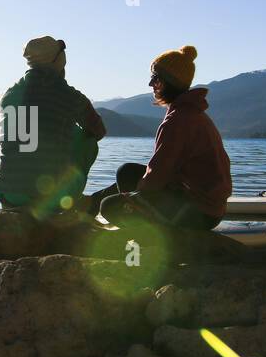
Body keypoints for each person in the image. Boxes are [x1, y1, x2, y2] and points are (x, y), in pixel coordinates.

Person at [91, 44, 231, 233]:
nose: (151, 84)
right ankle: (94, 204)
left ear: (168, 81)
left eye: (155, 78)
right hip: (204, 204)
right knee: (128, 172)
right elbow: (160, 173)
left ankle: (161, 236)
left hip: (198, 212)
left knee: (109, 206)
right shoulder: (191, 113)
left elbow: (156, 178)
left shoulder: (178, 120)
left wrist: (132, 198)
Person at [0, 36, 106, 216]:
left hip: (9, 196)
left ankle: (11, 200)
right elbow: (99, 132)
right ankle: (67, 197)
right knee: (87, 140)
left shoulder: (8, 94)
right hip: (54, 201)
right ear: (58, 60)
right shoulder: (71, 96)